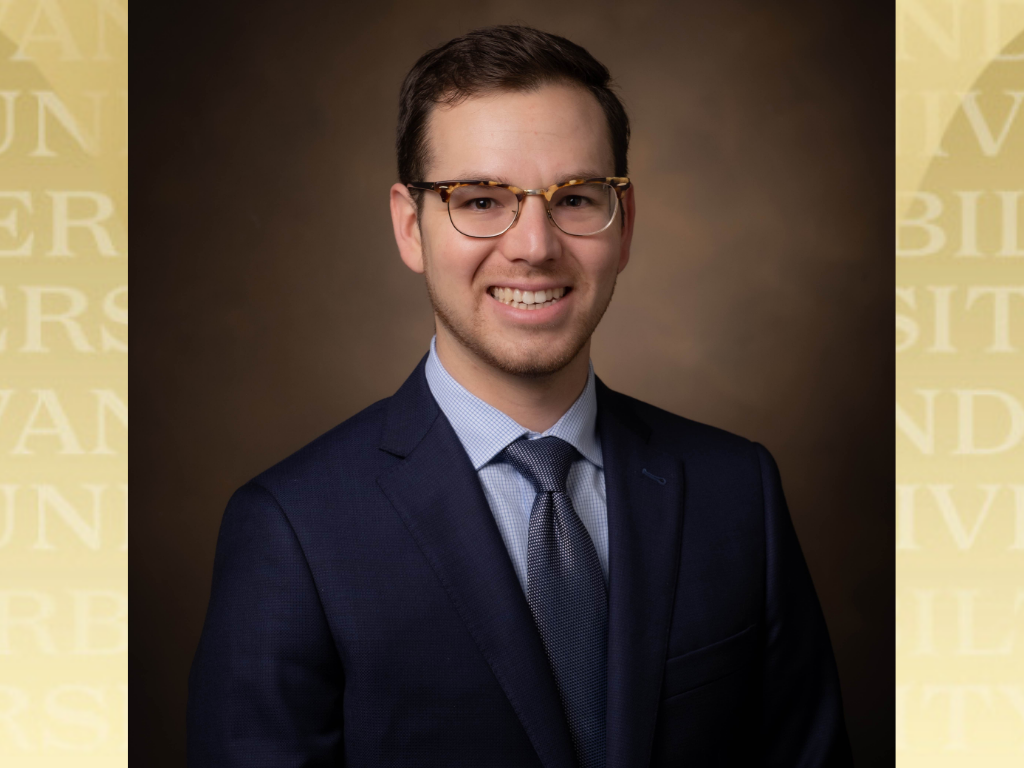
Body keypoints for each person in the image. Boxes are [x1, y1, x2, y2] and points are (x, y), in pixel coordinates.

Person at [187, 25, 853, 767]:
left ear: (624, 223)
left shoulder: (738, 491)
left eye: (574, 198)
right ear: (412, 228)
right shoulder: (292, 530)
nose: (534, 245)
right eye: (479, 200)